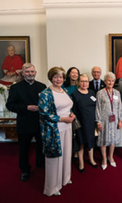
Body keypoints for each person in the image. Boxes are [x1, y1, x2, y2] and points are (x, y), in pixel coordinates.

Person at [39, 67, 76, 196]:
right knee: (54, 158)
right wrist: (63, 118)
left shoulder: (64, 90)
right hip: (55, 129)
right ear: (51, 78)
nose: (58, 79)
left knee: (66, 154)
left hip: (67, 127)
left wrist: (71, 114)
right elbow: (44, 113)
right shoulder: (46, 93)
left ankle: (65, 179)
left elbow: (67, 106)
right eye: (55, 77)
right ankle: (52, 187)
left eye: (60, 77)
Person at [6, 63, 46, 181]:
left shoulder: (42, 86)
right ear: (22, 73)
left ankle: (40, 164)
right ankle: (24, 170)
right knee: (24, 149)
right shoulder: (15, 88)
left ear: (35, 73)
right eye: (27, 72)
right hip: (24, 123)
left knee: (41, 146)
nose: (30, 74)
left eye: (32, 71)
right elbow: (10, 105)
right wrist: (26, 108)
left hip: (40, 123)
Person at [96, 72, 122, 170]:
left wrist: (120, 120)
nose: (110, 82)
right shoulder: (100, 93)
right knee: (103, 140)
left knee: (113, 140)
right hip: (104, 121)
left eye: (112, 80)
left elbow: (120, 107)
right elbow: (97, 108)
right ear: (105, 81)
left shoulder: (117, 93)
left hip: (114, 121)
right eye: (109, 80)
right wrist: (98, 121)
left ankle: (110, 157)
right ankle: (104, 159)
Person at [71, 74, 98, 173]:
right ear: (78, 82)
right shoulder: (75, 94)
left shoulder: (92, 93)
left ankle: (91, 160)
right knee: (81, 143)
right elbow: (73, 110)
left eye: (86, 81)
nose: (84, 83)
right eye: (82, 81)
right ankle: (81, 163)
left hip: (91, 123)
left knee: (91, 141)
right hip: (80, 124)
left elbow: (96, 107)